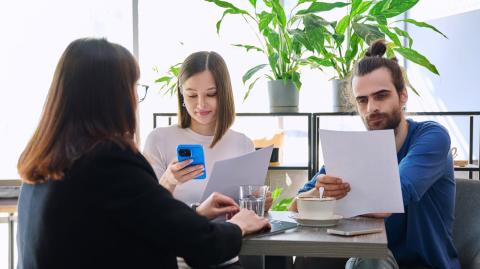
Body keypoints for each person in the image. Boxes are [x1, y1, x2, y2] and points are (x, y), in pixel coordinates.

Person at [16, 38, 270, 269]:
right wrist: (238, 226)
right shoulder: (109, 160)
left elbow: (137, 223)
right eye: (133, 88)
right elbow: (201, 246)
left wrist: (196, 215)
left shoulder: (43, 159)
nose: (136, 99)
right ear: (111, 97)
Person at [292, 40, 460, 269]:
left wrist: (333, 199)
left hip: (422, 264)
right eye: (363, 100)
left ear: (403, 96)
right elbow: (296, 205)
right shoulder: (353, 148)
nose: (371, 108)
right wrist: (319, 190)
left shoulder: (431, 137)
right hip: (367, 257)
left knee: (369, 260)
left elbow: (390, 198)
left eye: (381, 96)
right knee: (309, 259)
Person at [143, 51, 275, 269]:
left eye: (211, 94)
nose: (201, 104)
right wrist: (168, 181)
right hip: (178, 262)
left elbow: (248, 212)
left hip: (227, 258)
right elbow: (148, 217)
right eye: (192, 95)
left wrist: (260, 204)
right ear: (181, 94)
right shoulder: (159, 139)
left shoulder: (242, 143)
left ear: (223, 94)